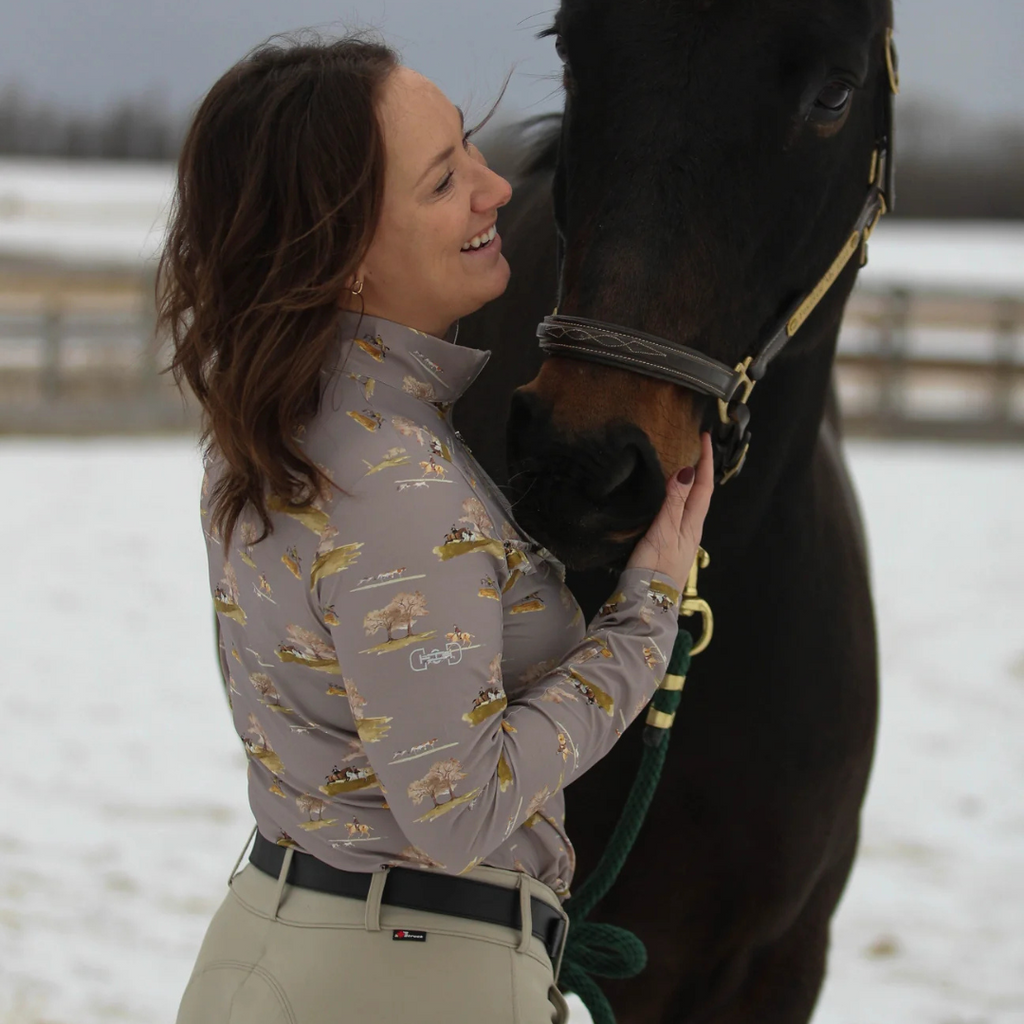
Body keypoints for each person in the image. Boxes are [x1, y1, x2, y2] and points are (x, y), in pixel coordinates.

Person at [159, 32, 714, 1024]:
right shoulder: (397, 487)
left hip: (280, 942)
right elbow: (459, 810)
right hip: (412, 980)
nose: (496, 188)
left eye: (470, 149)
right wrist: (644, 621)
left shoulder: (287, 426)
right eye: (442, 179)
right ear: (340, 257)